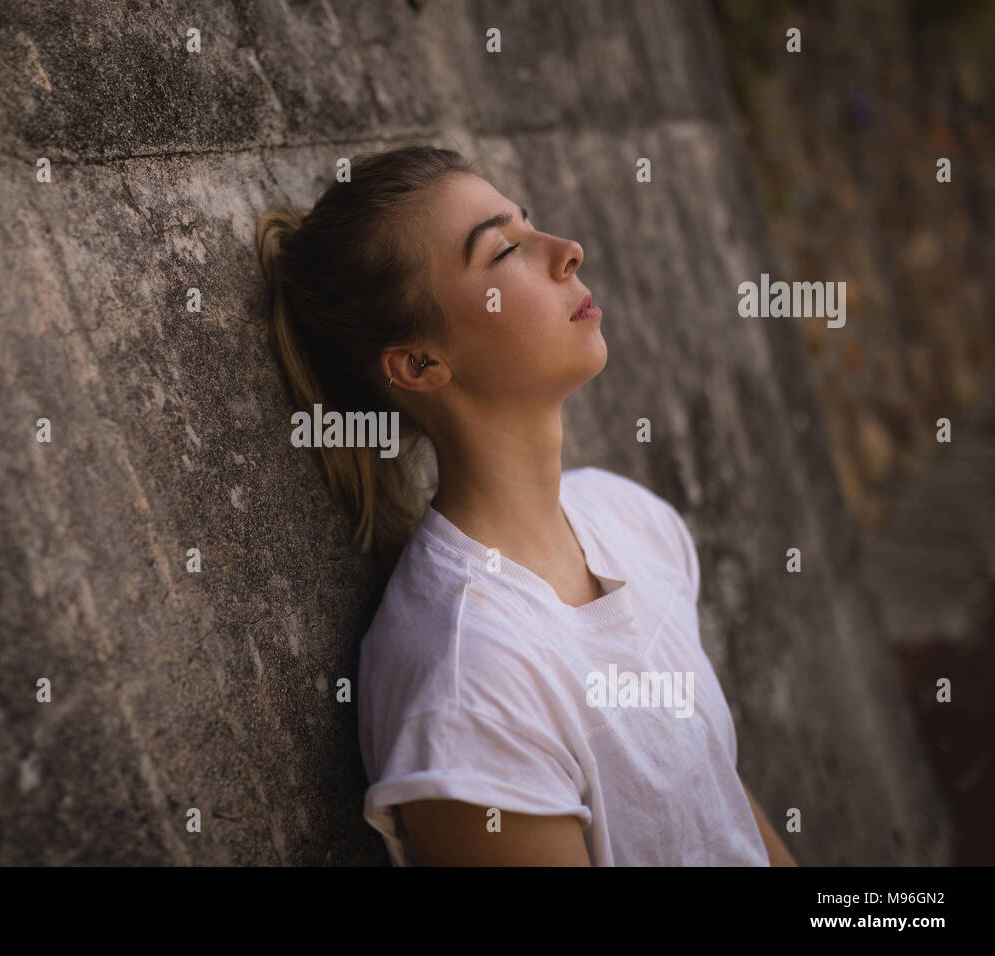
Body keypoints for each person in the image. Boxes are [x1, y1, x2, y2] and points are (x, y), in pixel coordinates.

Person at [255, 144, 797, 866]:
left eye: (530, 223)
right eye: (506, 248)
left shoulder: (629, 517)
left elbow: (716, 804)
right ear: (420, 364)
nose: (567, 251)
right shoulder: (467, 685)